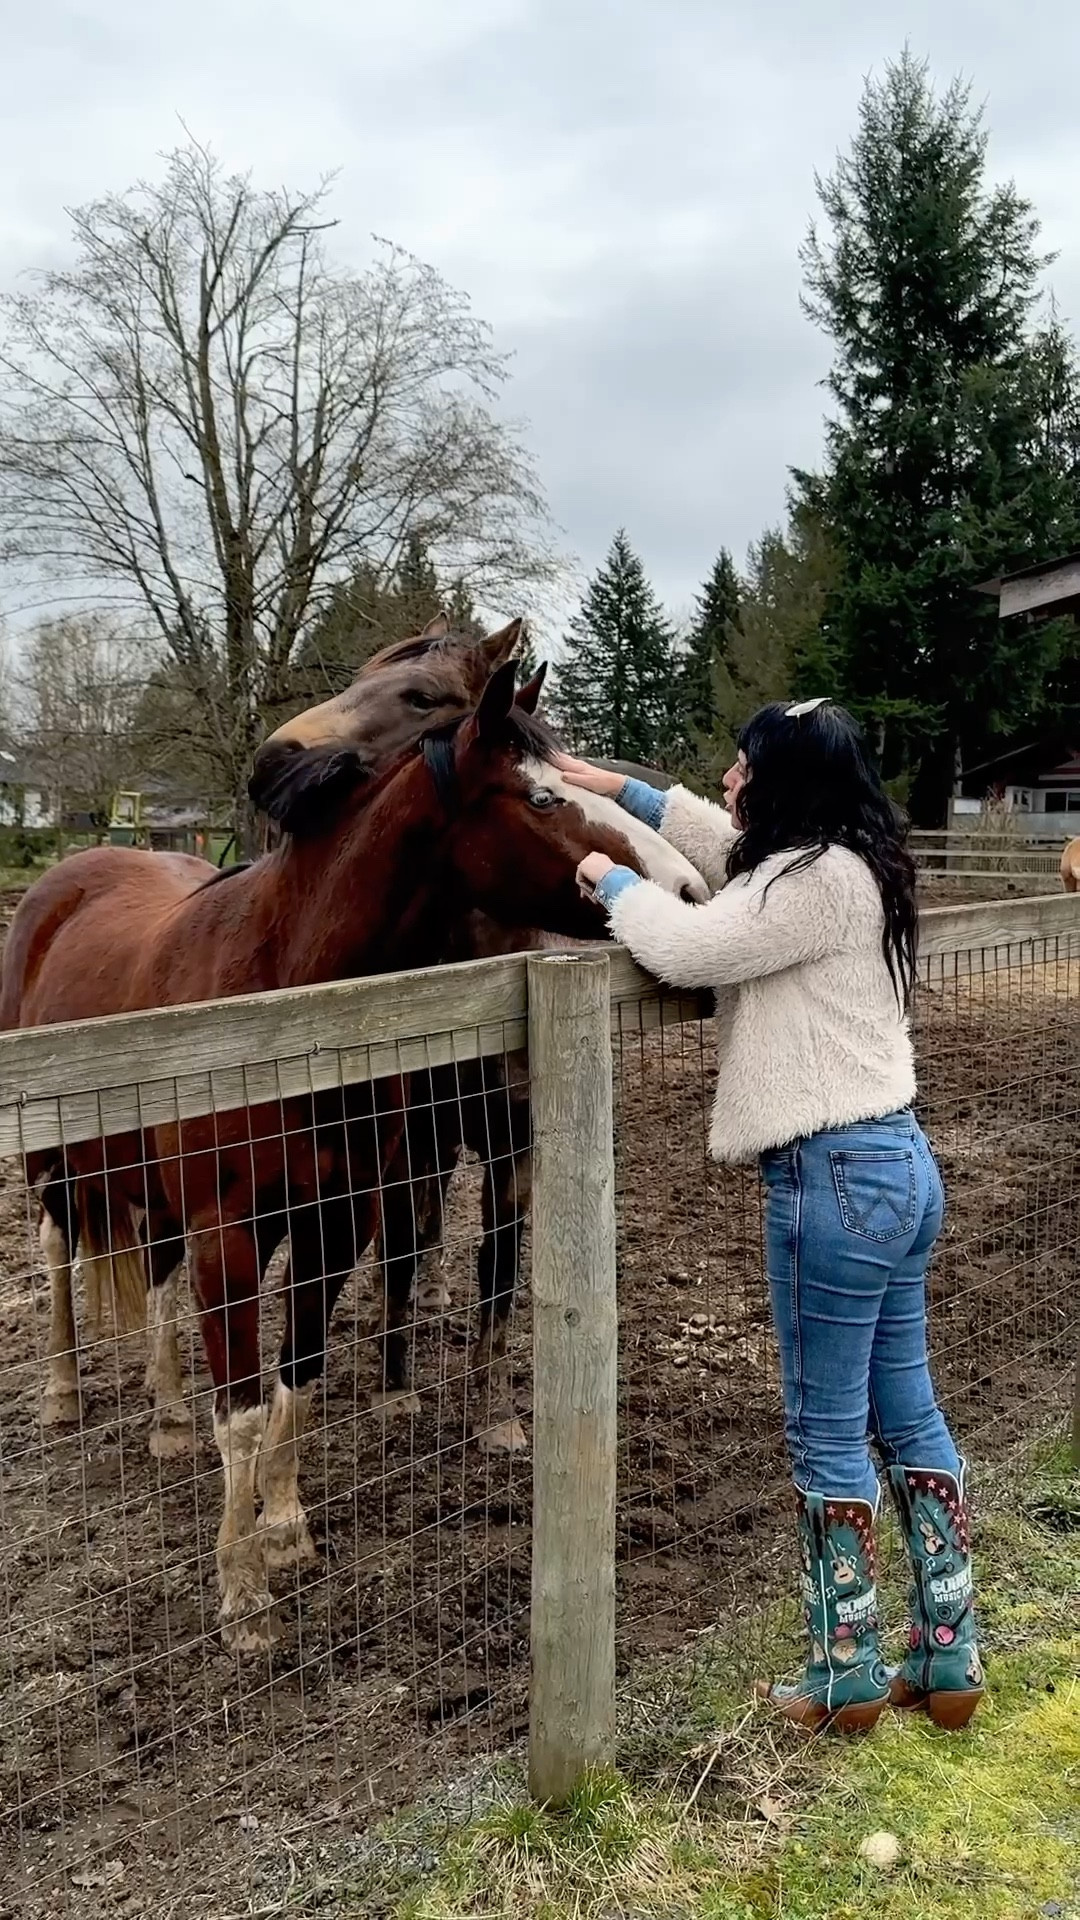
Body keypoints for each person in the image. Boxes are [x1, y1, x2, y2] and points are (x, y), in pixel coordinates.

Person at [557, 698, 983, 1735]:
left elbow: (694, 947)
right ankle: (949, 1653)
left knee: (827, 1432)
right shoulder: (852, 864)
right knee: (908, 1412)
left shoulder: (812, 884)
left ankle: (842, 1676)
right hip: (895, 1167)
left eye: (745, 766)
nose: (730, 781)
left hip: (831, 1179)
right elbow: (720, 838)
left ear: (784, 781)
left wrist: (611, 879)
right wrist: (607, 785)